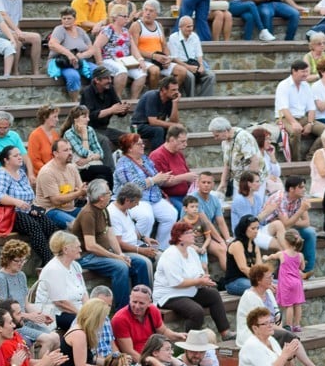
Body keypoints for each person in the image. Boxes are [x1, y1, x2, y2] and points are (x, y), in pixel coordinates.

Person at [73, 179, 151, 311]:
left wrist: (120, 253)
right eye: (109, 192)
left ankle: (143, 303)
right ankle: (124, 310)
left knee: (139, 263)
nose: (111, 195)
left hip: (101, 253)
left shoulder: (103, 210)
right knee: (120, 267)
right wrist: (116, 257)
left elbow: (110, 233)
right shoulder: (88, 214)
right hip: (86, 256)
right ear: (101, 197)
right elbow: (91, 246)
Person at [153, 222, 233, 339]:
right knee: (196, 311)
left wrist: (204, 279)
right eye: (189, 233)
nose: (193, 235)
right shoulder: (171, 254)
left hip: (189, 291)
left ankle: (225, 333)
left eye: (192, 232)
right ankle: (190, 344)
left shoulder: (191, 251)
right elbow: (177, 282)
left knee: (213, 295)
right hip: (169, 295)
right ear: (179, 236)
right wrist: (200, 282)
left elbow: (198, 273)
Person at [0, 145, 57, 265]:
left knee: (49, 225)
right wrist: (16, 202)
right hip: (9, 214)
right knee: (34, 227)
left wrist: (32, 207)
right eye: (15, 155)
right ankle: (48, 261)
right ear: (6, 160)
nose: (20, 157)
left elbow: (28, 196)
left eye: (20, 155)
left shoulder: (22, 173)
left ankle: (55, 256)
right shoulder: (1, 174)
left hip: (25, 211)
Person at [113, 132, 178, 249]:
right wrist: (154, 180)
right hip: (135, 199)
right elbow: (131, 186)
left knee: (171, 214)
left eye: (142, 143)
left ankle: (161, 248)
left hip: (153, 197)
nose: (143, 145)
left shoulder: (145, 159)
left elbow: (155, 176)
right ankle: (139, 245)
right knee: (146, 216)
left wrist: (163, 178)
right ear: (130, 148)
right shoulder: (123, 163)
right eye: (139, 144)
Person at [93, 4, 154, 100]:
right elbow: (96, 46)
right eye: (124, 16)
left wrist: (140, 60)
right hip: (109, 59)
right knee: (122, 71)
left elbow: (133, 48)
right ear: (115, 17)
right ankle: (117, 99)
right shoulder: (108, 30)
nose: (127, 19)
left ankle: (134, 99)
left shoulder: (125, 31)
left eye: (127, 16)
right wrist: (100, 63)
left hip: (125, 60)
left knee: (142, 73)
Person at [275, 61, 325, 162]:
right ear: (294, 71)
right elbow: (284, 108)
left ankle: (311, 156)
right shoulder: (283, 85)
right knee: (296, 131)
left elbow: (311, 108)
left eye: (307, 71)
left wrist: (310, 123)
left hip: (302, 118)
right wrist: (294, 123)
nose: (306, 74)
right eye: (303, 71)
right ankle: (296, 162)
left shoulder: (306, 86)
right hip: (284, 118)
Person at [81, 67, 131, 162]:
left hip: (104, 129)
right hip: (89, 129)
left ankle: (130, 166)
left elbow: (118, 109)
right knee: (105, 141)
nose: (110, 80)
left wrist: (123, 110)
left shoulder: (110, 89)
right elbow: (90, 116)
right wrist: (111, 110)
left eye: (110, 78)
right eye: (106, 78)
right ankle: (110, 170)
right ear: (97, 80)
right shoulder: (87, 92)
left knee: (129, 139)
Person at [168, 16, 216, 98]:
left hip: (194, 63)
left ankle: (204, 99)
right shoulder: (173, 38)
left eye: (192, 26)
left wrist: (201, 65)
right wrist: (188, 67)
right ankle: (191, 99)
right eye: (188, 26)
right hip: (182, 65)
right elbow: (174, 58)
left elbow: (199, 54)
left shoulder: (194, 36)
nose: (191, 29)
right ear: (180, 27)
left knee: (211, 75)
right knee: (190, 76)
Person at [130, 77, 181, 150]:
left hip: (153, 126)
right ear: (164, 90)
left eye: (177, 89)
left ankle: (170, 155)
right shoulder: (152, 96)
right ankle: (157, 157)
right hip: (139, 126)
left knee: (173, 130)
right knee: (158, 130)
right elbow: (152, 121)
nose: (177, 92)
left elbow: (174, 122)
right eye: (173, 90)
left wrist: (175, 103)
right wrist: (174, 124)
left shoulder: (170, 99)